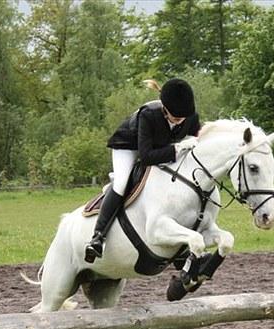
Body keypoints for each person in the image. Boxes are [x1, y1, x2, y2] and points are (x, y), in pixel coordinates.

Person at [84, 78, 201, 263]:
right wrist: (178, 149)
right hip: (129, 147)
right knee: (122, 183)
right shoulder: (149, 114)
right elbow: (146, 156)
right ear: (164, 108)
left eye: (183, 117)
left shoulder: (190, 116)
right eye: (175, 116)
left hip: (161, 147)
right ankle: (98, 237)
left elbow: (196, 142)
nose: (180, 120)